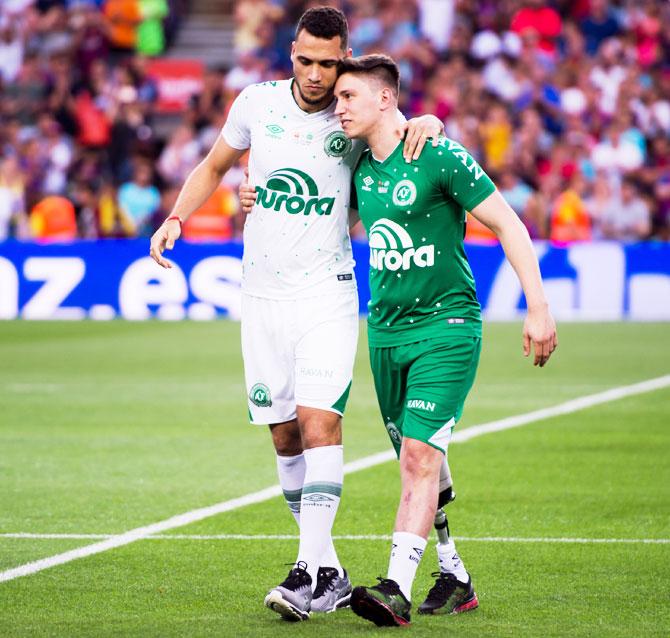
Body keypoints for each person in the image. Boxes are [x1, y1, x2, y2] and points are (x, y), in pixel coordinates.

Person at [148, 7, 442, 622]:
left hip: (326, 295)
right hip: (261, 296)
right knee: (283, 436)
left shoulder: (351, 114)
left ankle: (305, 569)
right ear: (291, 53)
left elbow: (401, 127)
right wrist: (178, 215)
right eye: (305, 60)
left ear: (343, 59)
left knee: (319, 425)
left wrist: (430, 122)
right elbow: (214, 167)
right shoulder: (256, 104)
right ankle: (328, 569)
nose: (314, 74)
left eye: (327, 63)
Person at [332, 54, 557, 626]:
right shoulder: (357, 166)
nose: (338, 108)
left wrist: (538, 307)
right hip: (384, 333)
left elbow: (509, 223)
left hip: (446, 327)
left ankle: (393, 589)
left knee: (418, 455)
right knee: (420, 459)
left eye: (348, 97)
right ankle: (454, 573)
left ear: (385, 99)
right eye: (336, 99)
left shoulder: (439, 154)